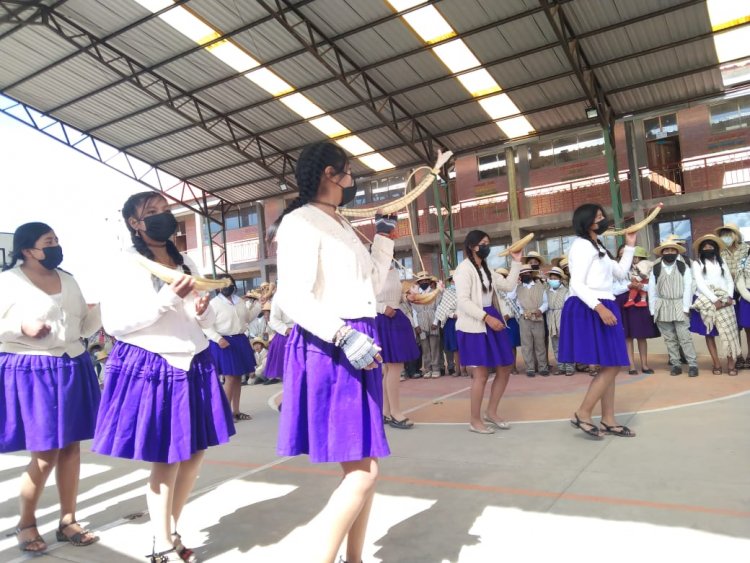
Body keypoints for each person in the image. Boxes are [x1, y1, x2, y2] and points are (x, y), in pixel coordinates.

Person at [272, 141, 442, 563]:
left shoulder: (341, 222)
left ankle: (354, 558)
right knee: (365, 472)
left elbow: (369, 282)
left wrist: (384, 239)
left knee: (363, 469)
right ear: (330, 174)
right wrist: (342, 335)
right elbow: (293, 296)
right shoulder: (300, 223)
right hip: (334, 344)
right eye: (347, 173)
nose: (352, 181)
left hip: (358, 340)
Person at [93, 191, 235, 562]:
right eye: (151, 213)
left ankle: (168, 529)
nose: (163, 216)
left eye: (165, 210)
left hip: (194, 360)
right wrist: (164, 301)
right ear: (134, 223)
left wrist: (203, 311)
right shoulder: (125, 264)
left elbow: (198, 318)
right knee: (167, 457)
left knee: (195, 453)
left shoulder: (185, 260)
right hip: (155, 363)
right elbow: (115, 323)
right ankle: (160, 541)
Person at [0, 223, 101, 554]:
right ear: (28, 250)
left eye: (57, 240)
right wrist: (21, 327)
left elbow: (83, 327)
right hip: (34, 368)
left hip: (72, 362)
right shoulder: (8, 281)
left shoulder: (68, 279)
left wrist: (101, 308)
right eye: (49, 242)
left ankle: (67, 520)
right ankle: (26, 522)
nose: (56, 246)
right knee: (44, 453)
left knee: (71, 447)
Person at [558, 204, 637, 438]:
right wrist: (599, 307)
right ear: (586, 223)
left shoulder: (598, 245)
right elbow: (577, 284)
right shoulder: (582, 246)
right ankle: (583, 412)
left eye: (603, 216)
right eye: (598, 218)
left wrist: (630, 245)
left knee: (610, 363)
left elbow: (621, 273)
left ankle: (608, 419)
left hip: (603, 303)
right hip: (591, 305)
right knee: (612, 364)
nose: (603, 220)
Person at [454, 230, 522, 434]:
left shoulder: (487, 268)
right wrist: (486, 318)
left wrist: (517, 262)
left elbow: (508, 285)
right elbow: (463, 301)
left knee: (505, 366)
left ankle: (491, 411)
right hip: (475, 323)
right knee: (481, 374)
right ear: (473, 246)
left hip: (491, 317)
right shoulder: (463, 269)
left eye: (488, 243)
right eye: (483, 243)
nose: (487, 246)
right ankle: (475, 420)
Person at [204, 274, 259, 421]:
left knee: (237, 377)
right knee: (229, 378)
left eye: (228, 283)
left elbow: (247, 318)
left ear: (233, 285)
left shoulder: (239, 301)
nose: (226, 286)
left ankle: (236, 411)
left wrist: (259, 304)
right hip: (223, 342)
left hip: (239, 340)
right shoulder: (213, 304)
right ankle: (226, 414)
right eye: (222, 284)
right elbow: (205, 326)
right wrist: (218, 338)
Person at [689, 234, 741, 375]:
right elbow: (700, 284)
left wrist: (729, 297)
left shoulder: (722, 261)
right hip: (708, 302)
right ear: (701, 249)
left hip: (726, 301)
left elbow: (729, 281)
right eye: (705, 247)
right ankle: (716, 363)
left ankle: (731, 363)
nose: (708, 248)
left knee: (730, 333)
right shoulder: (697, 263)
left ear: (716, 248)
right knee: (710, 334)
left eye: (711, 246)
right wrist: (714, 300)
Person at [376, 266, 420, 429]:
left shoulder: (394, 271)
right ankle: (395, 411)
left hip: (396, 317)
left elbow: (396, 296)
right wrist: (381, 308)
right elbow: (363, 297)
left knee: (390, 368)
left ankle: (386, 411)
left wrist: (406, 297)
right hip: (382, 318)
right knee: (393, 367)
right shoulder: (371, 270)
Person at [648, 238, 699, 377]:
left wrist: (686, 308)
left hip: (679, 303)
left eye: (672, 250)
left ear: (677, 252)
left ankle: (693, 364)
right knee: (669, 338)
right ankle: (676, 364)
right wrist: (653, 310)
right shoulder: (656, 267)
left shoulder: (684, 266)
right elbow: (651, 290)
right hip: (662, 305)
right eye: (667, 250)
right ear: (662, 252)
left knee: (685, 337)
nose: (669, 252)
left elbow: (688, 287)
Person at [619, 245, 659, 375]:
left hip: (640, 303)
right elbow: (616, 286)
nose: (632, 258)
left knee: (641, 335)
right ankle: (631, 366)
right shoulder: (620, 269)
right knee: (628, 336)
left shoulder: (646, 266)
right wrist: (629, 285)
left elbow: (652, 285)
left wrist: (642, 285)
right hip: (625, 302)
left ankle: (644, 365)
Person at [715, 223, 750, 368]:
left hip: (746, 290)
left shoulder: (746, 249)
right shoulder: (720, 253)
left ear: (735, 235)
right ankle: (738, 356)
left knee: (748, 325)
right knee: (733, 327)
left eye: (728, 234)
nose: (726, 237)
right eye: (723, 234)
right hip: (729, 293)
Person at [514, 265, 549, 377]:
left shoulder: (540, 286)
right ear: (520, 276)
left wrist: (540, 310)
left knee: (540, 344)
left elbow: (546, 302)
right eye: (523, 274)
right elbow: (511, 299)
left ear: (531, 274)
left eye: (528, 273)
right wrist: (521, 312)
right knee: (526, 345)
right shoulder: (517, 288)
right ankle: (530, 368)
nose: (526, 275)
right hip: (524, 319)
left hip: (538, 317)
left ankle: (543, 367)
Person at [409, 271, 443, 378]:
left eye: (426, 280)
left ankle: (436, 368)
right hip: (421, 322)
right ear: (418, 282)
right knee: (425, 348)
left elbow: (439, 308)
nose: (424, 282)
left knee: (435, 346)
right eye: (421, 281)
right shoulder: (415, 295)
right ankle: (428, 369)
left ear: (429, 281)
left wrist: (435, 322)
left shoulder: (435, 293)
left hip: (433, 320)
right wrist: (416, 325)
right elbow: (413, 311)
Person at [545, 266, 573, 375]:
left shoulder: (566, 291)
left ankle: (569, 366)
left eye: (555, 278)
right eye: (551, 278)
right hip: (551, 318)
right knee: (555, 344)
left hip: (563, 317)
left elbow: (568, 305)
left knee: (566, 343)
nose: (553, 280)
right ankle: (561, 366)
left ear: (560, 279)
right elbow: (545, 304)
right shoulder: (547, 291)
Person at [495, 267, 521, 375]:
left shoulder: (512, 288)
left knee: (511, 345)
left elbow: (516, 304)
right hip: (497, 321)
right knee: (499, 345)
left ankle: (513, 367)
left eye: (503, 276)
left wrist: (508, 315)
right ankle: (501, 367)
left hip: (511, 320)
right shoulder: (494, 290)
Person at [435, 272, 462, 376]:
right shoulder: (446, 293)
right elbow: (442, 309)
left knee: (465, 345)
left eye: (456, 280)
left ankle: (466, 369)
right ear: (450, 281)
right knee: (455, 347)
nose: (454, 282)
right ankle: (458, 370)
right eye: (452, 280)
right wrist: (452, 315)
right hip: (451, 322)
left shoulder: (465, 291)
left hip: (464, 319)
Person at [264, 296, 294, 385]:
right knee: (289, 372)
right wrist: (287, 330)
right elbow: (274, 319)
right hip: (287, 334)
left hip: (306, 333)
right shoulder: (279, 296)